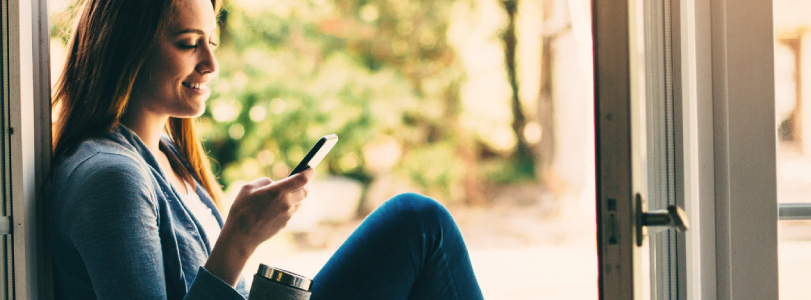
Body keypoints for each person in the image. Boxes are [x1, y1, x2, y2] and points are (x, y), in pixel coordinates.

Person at [47, 0, 484, 298]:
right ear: (127, 49)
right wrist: (239, 238)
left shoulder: (163, 152)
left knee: (420, 225)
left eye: (211, 42)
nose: (211, 64)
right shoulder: (110, 178)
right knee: (420, 226)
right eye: (188, 43)